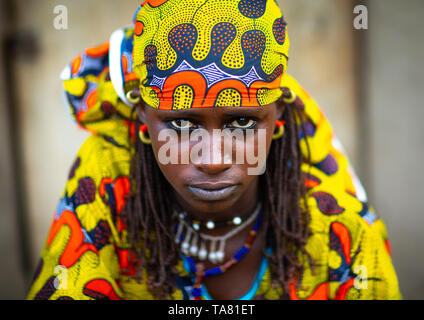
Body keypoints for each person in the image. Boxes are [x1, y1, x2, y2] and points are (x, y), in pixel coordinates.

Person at [27, 0, 401, 300]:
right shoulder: (106, 190)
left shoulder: (341, 233)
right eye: (181, 124)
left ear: (278, 116)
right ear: (143, 114)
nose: (212, 159)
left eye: (241, 123)